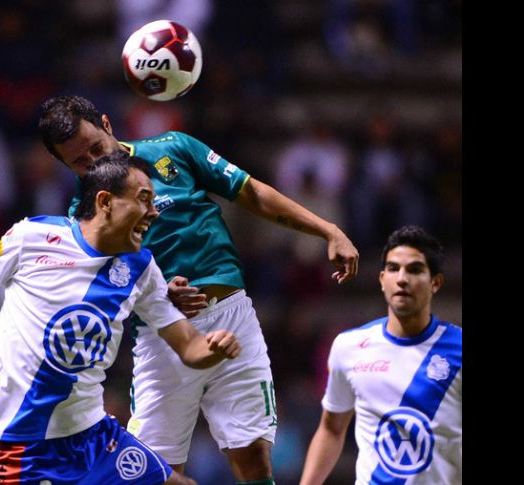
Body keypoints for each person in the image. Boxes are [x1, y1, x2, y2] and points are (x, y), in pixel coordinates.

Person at [0, 156, 244, 485]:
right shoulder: (32, 236)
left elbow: (189, 346)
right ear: (105, 201)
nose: (153, 212)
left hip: (93, 439)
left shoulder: (140, 268)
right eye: (144, 199)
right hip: (20, 448)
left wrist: (215, 347)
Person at [38, 95, 360, 484]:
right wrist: (157, 295)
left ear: (107, 125)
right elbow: (104, 289)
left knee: (253, 456)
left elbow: (251, 192)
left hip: (232, 316)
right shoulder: (83, 216)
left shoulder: (173, 148)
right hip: (162, 338)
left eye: (95, 147)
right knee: (157, 473)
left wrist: (327, 229)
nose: (93, 161)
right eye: (79, 161)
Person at [299, 226, 461, 484]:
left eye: (415, 270)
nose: (402, 278)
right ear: (382, 279)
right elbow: (331, 429)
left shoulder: (458, 348)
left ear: (435, 283)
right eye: (393, 269)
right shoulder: (349, 346)